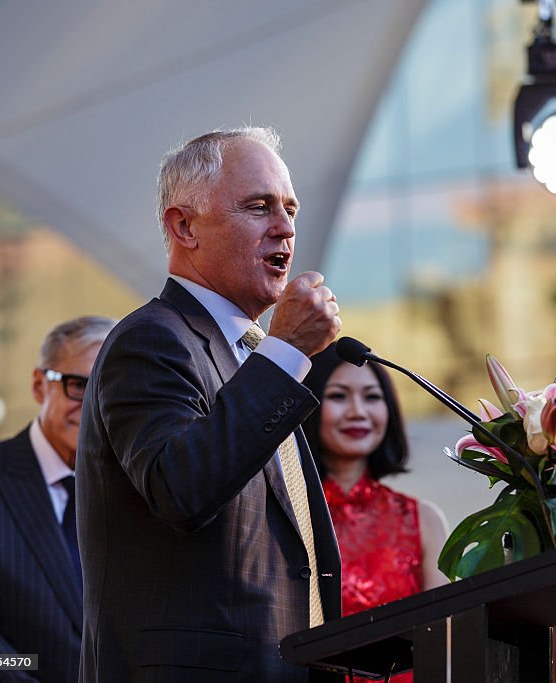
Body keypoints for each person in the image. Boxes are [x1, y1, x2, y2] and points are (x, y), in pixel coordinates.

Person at [76, 127, 342, 683]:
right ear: (184, 226)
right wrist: (287, 351)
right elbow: (182, 488)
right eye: (258, 206)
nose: (286, 228)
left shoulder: (255, 357)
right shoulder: (151, 340)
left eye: (290, 208)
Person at [0, 315, 116, 683]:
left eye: (110, 390)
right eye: (79, 386)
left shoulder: (142, 490)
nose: (95, 406)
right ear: (40, 386)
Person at [301, 345, 449, 621]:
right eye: (338, 396)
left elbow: (445, 636)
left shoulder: (424, 520)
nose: (358, 411)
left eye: (371, 397)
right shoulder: (286, 514)